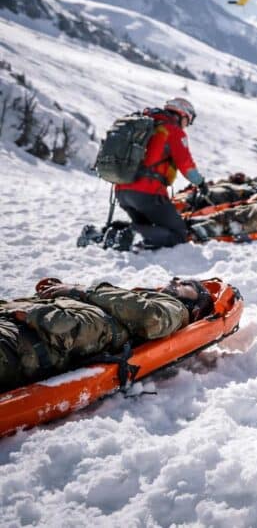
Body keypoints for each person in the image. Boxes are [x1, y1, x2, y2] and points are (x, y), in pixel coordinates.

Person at [1, 277, 214, 392]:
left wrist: (81, 291)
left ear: (194, 309)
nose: (176, 279)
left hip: (20, 344)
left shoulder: (175, 308)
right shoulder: (124, 299)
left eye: (188, 285)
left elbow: (152, 317)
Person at [114, 97, 206, 251]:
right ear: (181, 114)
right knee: (179, 234)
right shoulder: (173, 131)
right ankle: (134, 234)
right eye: (187, 121)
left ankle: (108, 233)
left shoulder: (146, 125)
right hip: (148, 193)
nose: (186, 125)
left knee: (149, 226)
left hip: (122, 190)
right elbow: (185, 164)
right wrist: (201, 183)